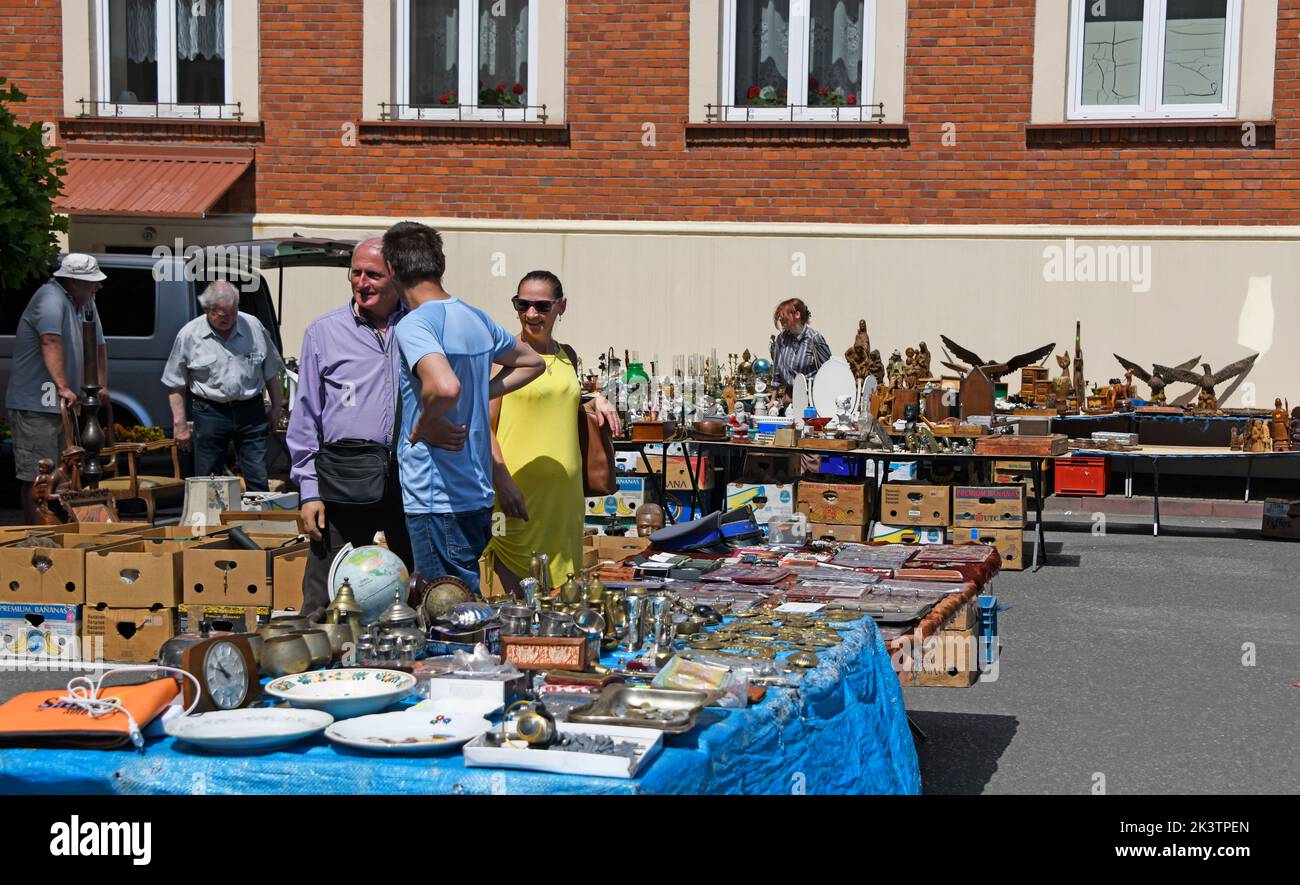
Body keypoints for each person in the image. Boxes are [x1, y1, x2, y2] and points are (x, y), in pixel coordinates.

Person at [383, 222, 545, 591]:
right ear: (439, 263)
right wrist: (477, 394)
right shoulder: (474, 316)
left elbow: (444, 386)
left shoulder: (414, 324)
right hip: (475, 496)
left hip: (437, 499)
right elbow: (533, 362)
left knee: (447, 617)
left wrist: (426, 422)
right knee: (462, 608)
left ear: (392, 268)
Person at [286, 238, 415, 616]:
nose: (362, 282)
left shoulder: (419, 326)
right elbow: (305, 415)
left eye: (373, 274)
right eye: (355, 273)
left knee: (417, 584)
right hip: (345, 475)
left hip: (409, 478)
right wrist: (309, 490)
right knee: (324, 592)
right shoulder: (324, 332)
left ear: (396, 277)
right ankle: (314, 660)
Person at [485, 271, 622, 596]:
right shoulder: (502, 356)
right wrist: (504, 485)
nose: (531, 314)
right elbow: (482, 427)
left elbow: (556, 400)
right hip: (516, 497)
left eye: (542, 306)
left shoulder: (567, 355)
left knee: (561, 601)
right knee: (521, 602)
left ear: (561, 306)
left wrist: (592, 401)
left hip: (564, 502)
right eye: (523, 304)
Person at [4, 254, 109, 524]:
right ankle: (36, 534)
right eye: (91, 283)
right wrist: (62, 386)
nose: (97, 287)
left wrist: (102, 385)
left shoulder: (84, 303)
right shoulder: (50, 297)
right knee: (39, 475)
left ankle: (61, 531)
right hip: (36, 404)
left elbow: (99, 346)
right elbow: (49, 340)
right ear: (73, 281)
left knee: (67, 472)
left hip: (60, 405)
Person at [162, 281, 284, 492]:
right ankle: (210, 523)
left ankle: (257, 523)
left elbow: (271, 371)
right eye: (221, 312)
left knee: (257, 475)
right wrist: (180, 424)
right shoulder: (189, 335)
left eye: (233, 311)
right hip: (210, 411)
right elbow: (175, 383)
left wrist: (276, 407)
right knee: (208, 478)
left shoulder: (253, 326)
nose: (228, 317)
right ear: (207, 309)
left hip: (251, 410)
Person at [770, 297, 831, 401]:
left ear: (797, 315)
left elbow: (829, 370)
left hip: (811, 400)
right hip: (788, 399)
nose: (780, 320)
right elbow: (776, 373)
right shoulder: (781, 339)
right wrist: (772, 400)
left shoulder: (814, 339)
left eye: (783, 316)